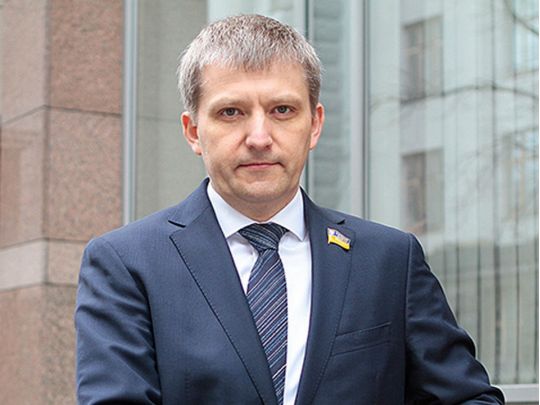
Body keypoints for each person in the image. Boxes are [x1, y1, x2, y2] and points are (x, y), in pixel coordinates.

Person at [75, 14, 504, 405]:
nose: (259, 137)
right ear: (193, 131)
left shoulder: (389, 260)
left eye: (282, 110)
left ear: (314, 125)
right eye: (231, 112)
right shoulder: (127, 264)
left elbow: (469, 398)